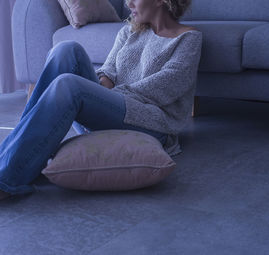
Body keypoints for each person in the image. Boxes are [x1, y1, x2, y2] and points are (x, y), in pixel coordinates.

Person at [0, 0, 203, 200]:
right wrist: (103, 90)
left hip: (149, 121)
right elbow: (108, 70)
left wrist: (108, 96)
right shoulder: (129, 31)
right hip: (112, 109)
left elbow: (168, 86)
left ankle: (7, 180)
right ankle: (8, 154)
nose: (128, 4)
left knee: (68, 85)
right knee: (66, 50)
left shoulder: (188, 38)